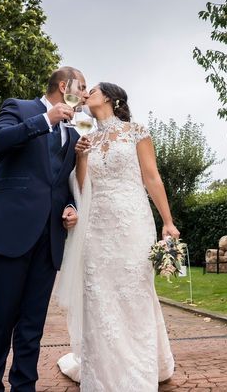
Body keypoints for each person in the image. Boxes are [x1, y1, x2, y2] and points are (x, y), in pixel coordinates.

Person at [54, 82, 179, 391]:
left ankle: (140, 370)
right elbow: (82, 189)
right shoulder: (87, 135)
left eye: (92, 89)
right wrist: (81, 157)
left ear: (108, 97)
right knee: (100, 296)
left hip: (133, 221)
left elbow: (152, 177)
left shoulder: (136, 131)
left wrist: (168, 222)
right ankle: (104, 376)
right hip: (96, 225)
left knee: (134, 292)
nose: (86, 93)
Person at [0, 67, 87, 392]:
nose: (86, 93)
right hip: (11, 233)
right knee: (1, 317)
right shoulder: (20, 108)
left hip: (49, 238)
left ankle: (25, 385)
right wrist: (47, 119)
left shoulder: (76, 131)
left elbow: (62, 184)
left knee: (33, 323)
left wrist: (71, 208)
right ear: (64, 86)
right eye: (82, 87)